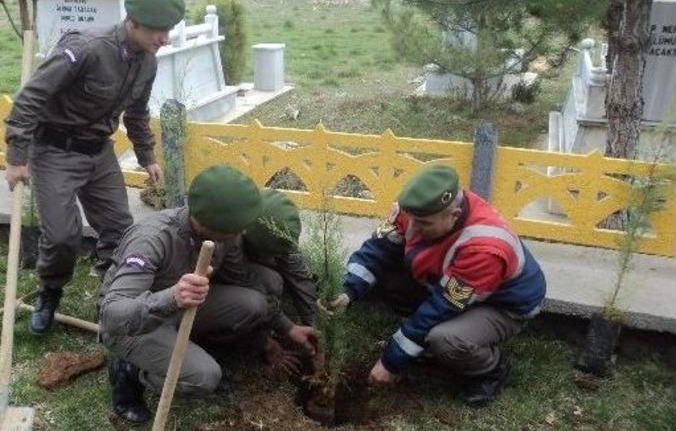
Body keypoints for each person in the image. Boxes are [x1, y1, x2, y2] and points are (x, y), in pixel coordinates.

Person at [3, 0, 185, 335]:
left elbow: (136, 112)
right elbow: (29, 100)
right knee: (62, 237)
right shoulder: (84, 47)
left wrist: (146, 155)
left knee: (120, 229)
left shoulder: (147, 61)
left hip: (99, 152)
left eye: (168, 31)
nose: (164, 39)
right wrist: (16, 156)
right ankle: (49, 292)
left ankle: (113, 297)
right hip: (55, 150)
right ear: (133, 22)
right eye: (158, 30)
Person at [98, 165, 316, 424]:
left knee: (254, 302)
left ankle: (189, 346)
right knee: (204, 377)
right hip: (135, 325)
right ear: (205, 223)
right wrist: (171, 298)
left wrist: (288, 328)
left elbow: (243, 281)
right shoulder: (151, 239)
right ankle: (131, 371)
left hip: (182, 306)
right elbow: (112, 315)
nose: (242, 234)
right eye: (237, 228)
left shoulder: (225, 236)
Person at [328, 164, 546, 407]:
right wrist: (348, 290)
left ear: (453, 215)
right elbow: (379, 247)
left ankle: (491, 369)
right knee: (385, 278)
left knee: (445, 338)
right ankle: (420, 343)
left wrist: (391, 362)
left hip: (502, 304)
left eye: (423, 224)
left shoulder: (484, 249)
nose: (413, 229)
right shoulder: (418, 207)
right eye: (411, 220)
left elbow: (442, 307)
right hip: (451, 283)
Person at [241, 189, 318, 368]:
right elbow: (240, 300)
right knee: (271, 281)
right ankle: (252, 337)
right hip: (212, 290)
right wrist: (266, 342)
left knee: (276, 278)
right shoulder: (228, 241)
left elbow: (301, 279)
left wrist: (315, 330)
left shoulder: (278, 228)